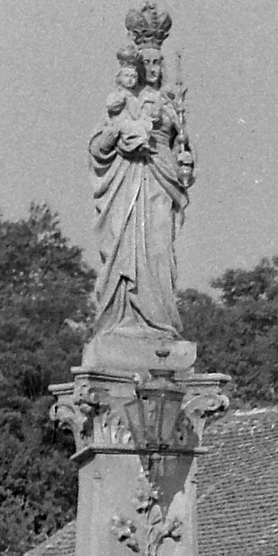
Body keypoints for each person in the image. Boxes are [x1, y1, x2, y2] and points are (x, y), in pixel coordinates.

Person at [88, 46, 193, 338]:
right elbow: (97, 147)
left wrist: (186, 162)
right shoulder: (122, 103)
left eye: (157, 62)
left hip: (161, 179)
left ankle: (160, 322)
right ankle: (124, 318)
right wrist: (118, 136)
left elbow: (182, 148)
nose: (152, 68)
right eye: (145, 63)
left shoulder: (171, 105)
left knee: (159, 248)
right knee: (125, 248)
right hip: (127, 180)